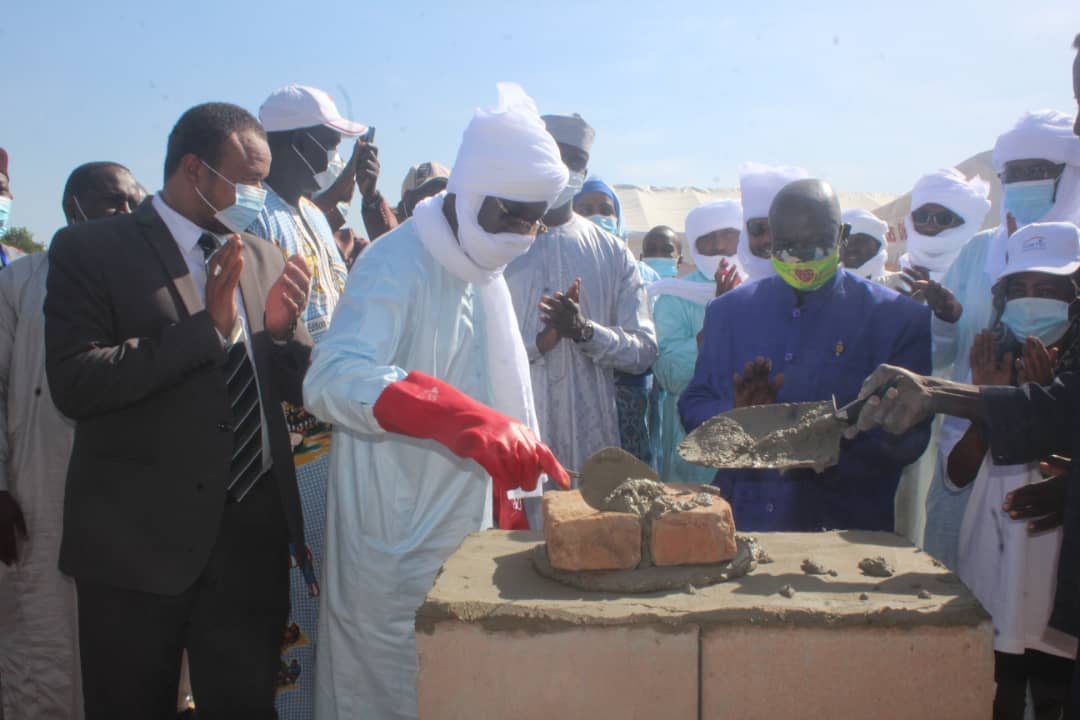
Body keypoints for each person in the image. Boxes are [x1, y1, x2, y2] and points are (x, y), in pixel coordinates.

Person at [301, 83, 571, 720]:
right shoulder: (399, 262)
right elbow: (332, 376)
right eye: (509, 214)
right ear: (469, 194)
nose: (521, 232)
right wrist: (456, 416)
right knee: (388, 690)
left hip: (466, 530)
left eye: (535, 218)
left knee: (461, 686)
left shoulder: (483, 272)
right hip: (390, 538)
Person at [44, 102, 314, 718]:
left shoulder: (264, 256)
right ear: (193, 169)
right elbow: (76, 382)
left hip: (249, 539)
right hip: (136, 548)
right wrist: (207, 332)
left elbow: (295, 388)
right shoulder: (91, 250)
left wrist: (279, 335)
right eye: (247, 179)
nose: (258, 194)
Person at [680, 178, 931, 531]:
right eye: (786, 247)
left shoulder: (898, 320)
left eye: (816, 246)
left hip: (844, 530)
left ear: (842, 236)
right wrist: (738, 418)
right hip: (745, 523)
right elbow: (694, 405)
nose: (800, 259)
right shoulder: (728, 313)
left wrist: (831, 441)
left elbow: (913, 439)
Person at [0, 160, 144, 720]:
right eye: (113, 201)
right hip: (38, 497)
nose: (127, 213)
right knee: (43, 647)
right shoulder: (21, 280)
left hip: (128, 501)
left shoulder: (148, 278)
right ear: (73, 207)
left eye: (135, 201)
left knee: (128, 650)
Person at [249, 83, 368, 720]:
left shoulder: (316, 216)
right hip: (293, 424)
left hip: (329, 410)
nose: (332, 155)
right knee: (299, 574)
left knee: (326, 573)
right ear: (294, 142)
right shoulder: (256, 216)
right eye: (327, 143)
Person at [922, 110, 1080, 571]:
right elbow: (942, 357)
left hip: (1055, 459)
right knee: (951, 580)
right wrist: (947, 319)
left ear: (1067, 174)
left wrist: (1044, 396)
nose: (1025, 183)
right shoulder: (977, 251)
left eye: (1038, 172)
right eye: (1015, 174)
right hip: (968, 448)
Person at [943, 223, 1079, 719]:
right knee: (995, 691)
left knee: (1052, 694)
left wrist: (1046, 408)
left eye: (1048, 290)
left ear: (1074, 295)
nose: (1032, 301)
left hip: (1057, 574)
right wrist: (987, 403)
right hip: (994, 567)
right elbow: (956, 474)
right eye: (1019, 290)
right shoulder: (988, 363)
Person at [505, 112, 657, 516]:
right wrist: (541, 342)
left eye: (573, 160)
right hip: (517, 439)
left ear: (585, 169)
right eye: (552, 155)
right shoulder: (500, 249)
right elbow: (473, 350)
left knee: (589, 550)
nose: (562, 168)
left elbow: (643, 350)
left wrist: (586, 332)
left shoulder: (611, 252)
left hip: (593, 446)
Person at [651, 200, 743, 484]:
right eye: (707, 239)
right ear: (694, 245)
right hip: (690, 435)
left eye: (727, 234)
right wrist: (716, 316)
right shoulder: (674, 295)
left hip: (751, 430)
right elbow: (669, 375)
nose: (717, 246)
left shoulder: (764, 289)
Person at [574, 175, 659, 464]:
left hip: (626, 405)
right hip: (574, 403)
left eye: (605, 209)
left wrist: (586, 332)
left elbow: (645, 350)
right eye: (584, 209)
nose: (596, 216)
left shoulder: (638, 272)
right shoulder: (559, 267)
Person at [267, 85, 398, 242]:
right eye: (329, 146)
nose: (331, 159)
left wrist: (370, 196)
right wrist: (343, 184)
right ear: (300, 142)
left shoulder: (315, 220)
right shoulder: (259, 218)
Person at [735, 162, 810, 283]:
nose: (767, 239)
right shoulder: (735, 297)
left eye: (779, 228)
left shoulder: (826, 290)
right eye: (757, 228)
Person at [840, 208, 892, 285]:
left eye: (860, 240)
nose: (852, 247)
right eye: (846, 241)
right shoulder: (825, 290)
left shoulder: (901, 287)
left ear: (877, 244)